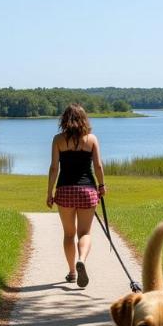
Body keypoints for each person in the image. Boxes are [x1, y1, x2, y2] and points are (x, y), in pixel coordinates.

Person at [47, 103, 106, 286]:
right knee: (85, 233)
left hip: (64, 190)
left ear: (64, 120)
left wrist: (49, 192)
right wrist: (102, 185)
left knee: (68, 234)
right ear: (84, 119)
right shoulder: (91, 139)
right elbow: (98, 166)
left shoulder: (58, 140)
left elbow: (54, 168)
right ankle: (82, 259)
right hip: (87, 190)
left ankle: (72, 272)